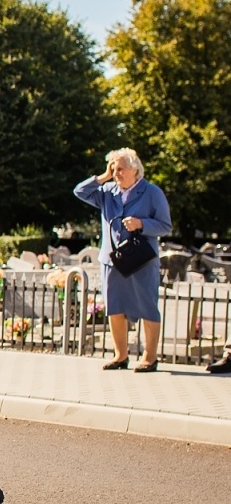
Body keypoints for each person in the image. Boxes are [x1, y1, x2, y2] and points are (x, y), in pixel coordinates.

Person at [75, 147, 172, 372]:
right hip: (113, 259)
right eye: (113, 168)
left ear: (135, 169)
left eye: (120, 168)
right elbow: (79, 191)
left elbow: (166, 226)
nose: (116, 173)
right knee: (114, 307)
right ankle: (121, 356)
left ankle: (149, 357)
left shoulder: (152, 192)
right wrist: (103, 177)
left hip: (142, 259)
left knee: (147, 307)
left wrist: (142, 224)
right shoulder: (108, 191)